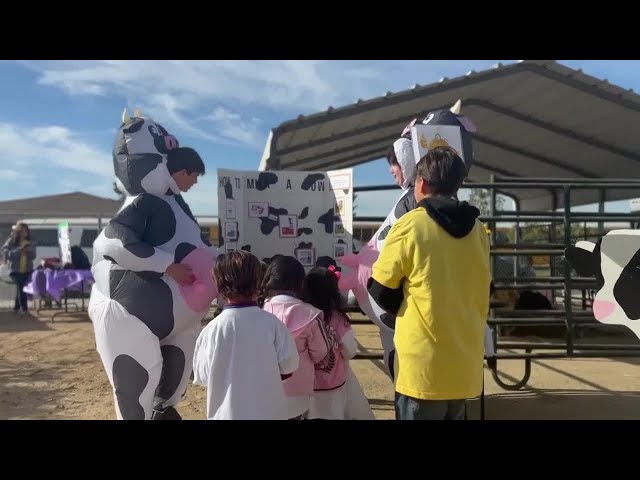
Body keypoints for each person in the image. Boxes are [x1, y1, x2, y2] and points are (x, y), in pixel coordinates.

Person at [88, 109, 219, 420]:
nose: (194, 183)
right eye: (193, 176)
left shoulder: (175, 205)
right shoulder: (143, 202)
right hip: (132, 313)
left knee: (172, 383)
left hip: (179, 321)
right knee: (136, 386)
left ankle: (163, 412)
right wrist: (168, 266)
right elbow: (112, 242)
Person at [368, 146, 491, 420]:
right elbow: (485, 287)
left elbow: (379, 287)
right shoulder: (479, 232)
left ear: (421, 183)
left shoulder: (409, 225)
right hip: (464, 367)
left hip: (421, 370)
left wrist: (404, 306)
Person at [192, 250, 299, 420]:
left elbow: (204, 376)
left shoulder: (210, 331)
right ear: (259, 283)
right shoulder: (274, 325)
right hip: (270, 413)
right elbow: (289, 366)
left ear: (218, 287)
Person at [258, 255, 329, 420]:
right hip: (298, 391)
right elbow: (320, 353)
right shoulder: (311, 314)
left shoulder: (259, 311)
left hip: (264, 388)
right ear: (300, 283)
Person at [303, 266, 374, 420]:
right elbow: (350, 350)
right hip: (334, 383)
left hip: (308, 384)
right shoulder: (339, 320)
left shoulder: (304, 316)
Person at [2, 222, 36, 315]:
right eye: (21, 231)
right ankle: (24, 309)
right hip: (15, 270)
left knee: (20, 288)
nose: (23, 233)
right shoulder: (12, 241)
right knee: (22, 287)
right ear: (17, 232)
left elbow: (33, 255)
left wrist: (27, 250)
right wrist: (18, 250)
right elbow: (5, 252)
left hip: (27, 269)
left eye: (25, 231)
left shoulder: (31, 241)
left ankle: (16, 307)